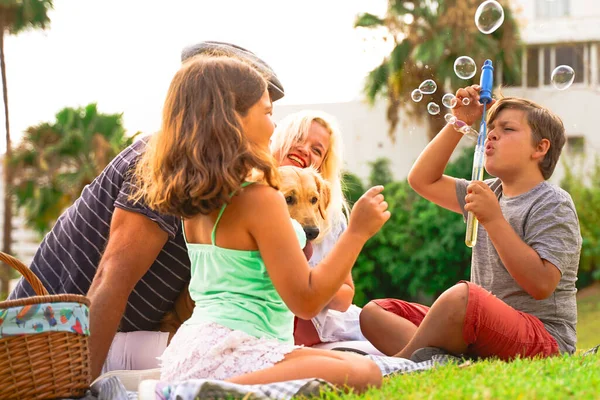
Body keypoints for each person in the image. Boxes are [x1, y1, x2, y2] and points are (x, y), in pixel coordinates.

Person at [7, 41, 287, 379]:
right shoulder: (165, 164)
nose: (271, 124)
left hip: (108, 338)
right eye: (263, 109)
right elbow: (112, 277)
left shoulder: (210, 171)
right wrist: (79, 389)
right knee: (229, 352)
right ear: (226, 111)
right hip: (59, 346)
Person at [143, 54, 388, 391]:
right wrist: (358, 231)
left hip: (193, 348)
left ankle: (199, 387)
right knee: (365, 374)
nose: (274, 126)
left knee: (353, 363)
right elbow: (306, 299)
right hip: (238, 349)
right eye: (268, 112)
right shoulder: (261, 198)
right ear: (233, 119)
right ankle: (193, 394)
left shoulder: (201, 197)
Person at [360, 85, 581, 361]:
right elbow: (422, 180)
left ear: (540, 148)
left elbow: (542, 284)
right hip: (482, 328)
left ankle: (399, 365)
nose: (492, 135)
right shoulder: (488, 192)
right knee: (375, 313)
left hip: (544, 339)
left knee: (462, 298)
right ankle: (440, 359)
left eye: (507, 129)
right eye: (490, 128)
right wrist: (459, 122)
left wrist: (493, 219)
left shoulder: (553, 203)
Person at [270, 111, 365, 346]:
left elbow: (345, 296)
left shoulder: (330, 220)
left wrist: (311, 286)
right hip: (272, 329)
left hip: (330, 327)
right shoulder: (252, 201)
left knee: (380, 316)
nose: (305, 150)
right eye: (298, 138)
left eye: (317, 150)